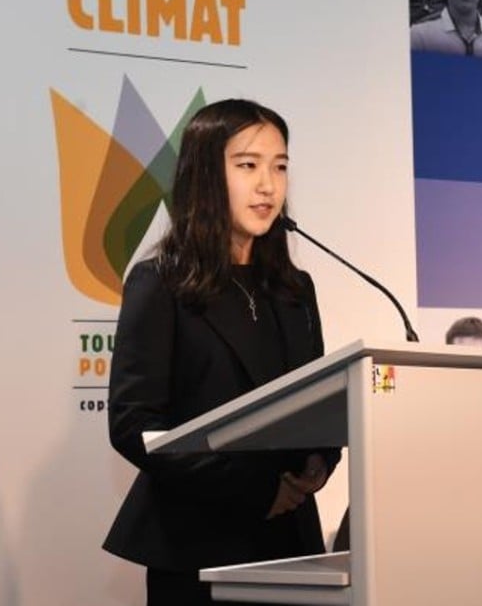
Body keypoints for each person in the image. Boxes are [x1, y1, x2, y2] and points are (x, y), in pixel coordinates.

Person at [103, 99, 340, 605]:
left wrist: (320, 461)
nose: (268, 186)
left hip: (289, 546)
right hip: (198, 545)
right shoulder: (160, 282)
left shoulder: (295, 289)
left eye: (280, 167)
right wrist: (258, 491)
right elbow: (134, 425)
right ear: (206, 176)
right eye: (248, 166)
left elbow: (318, 403)